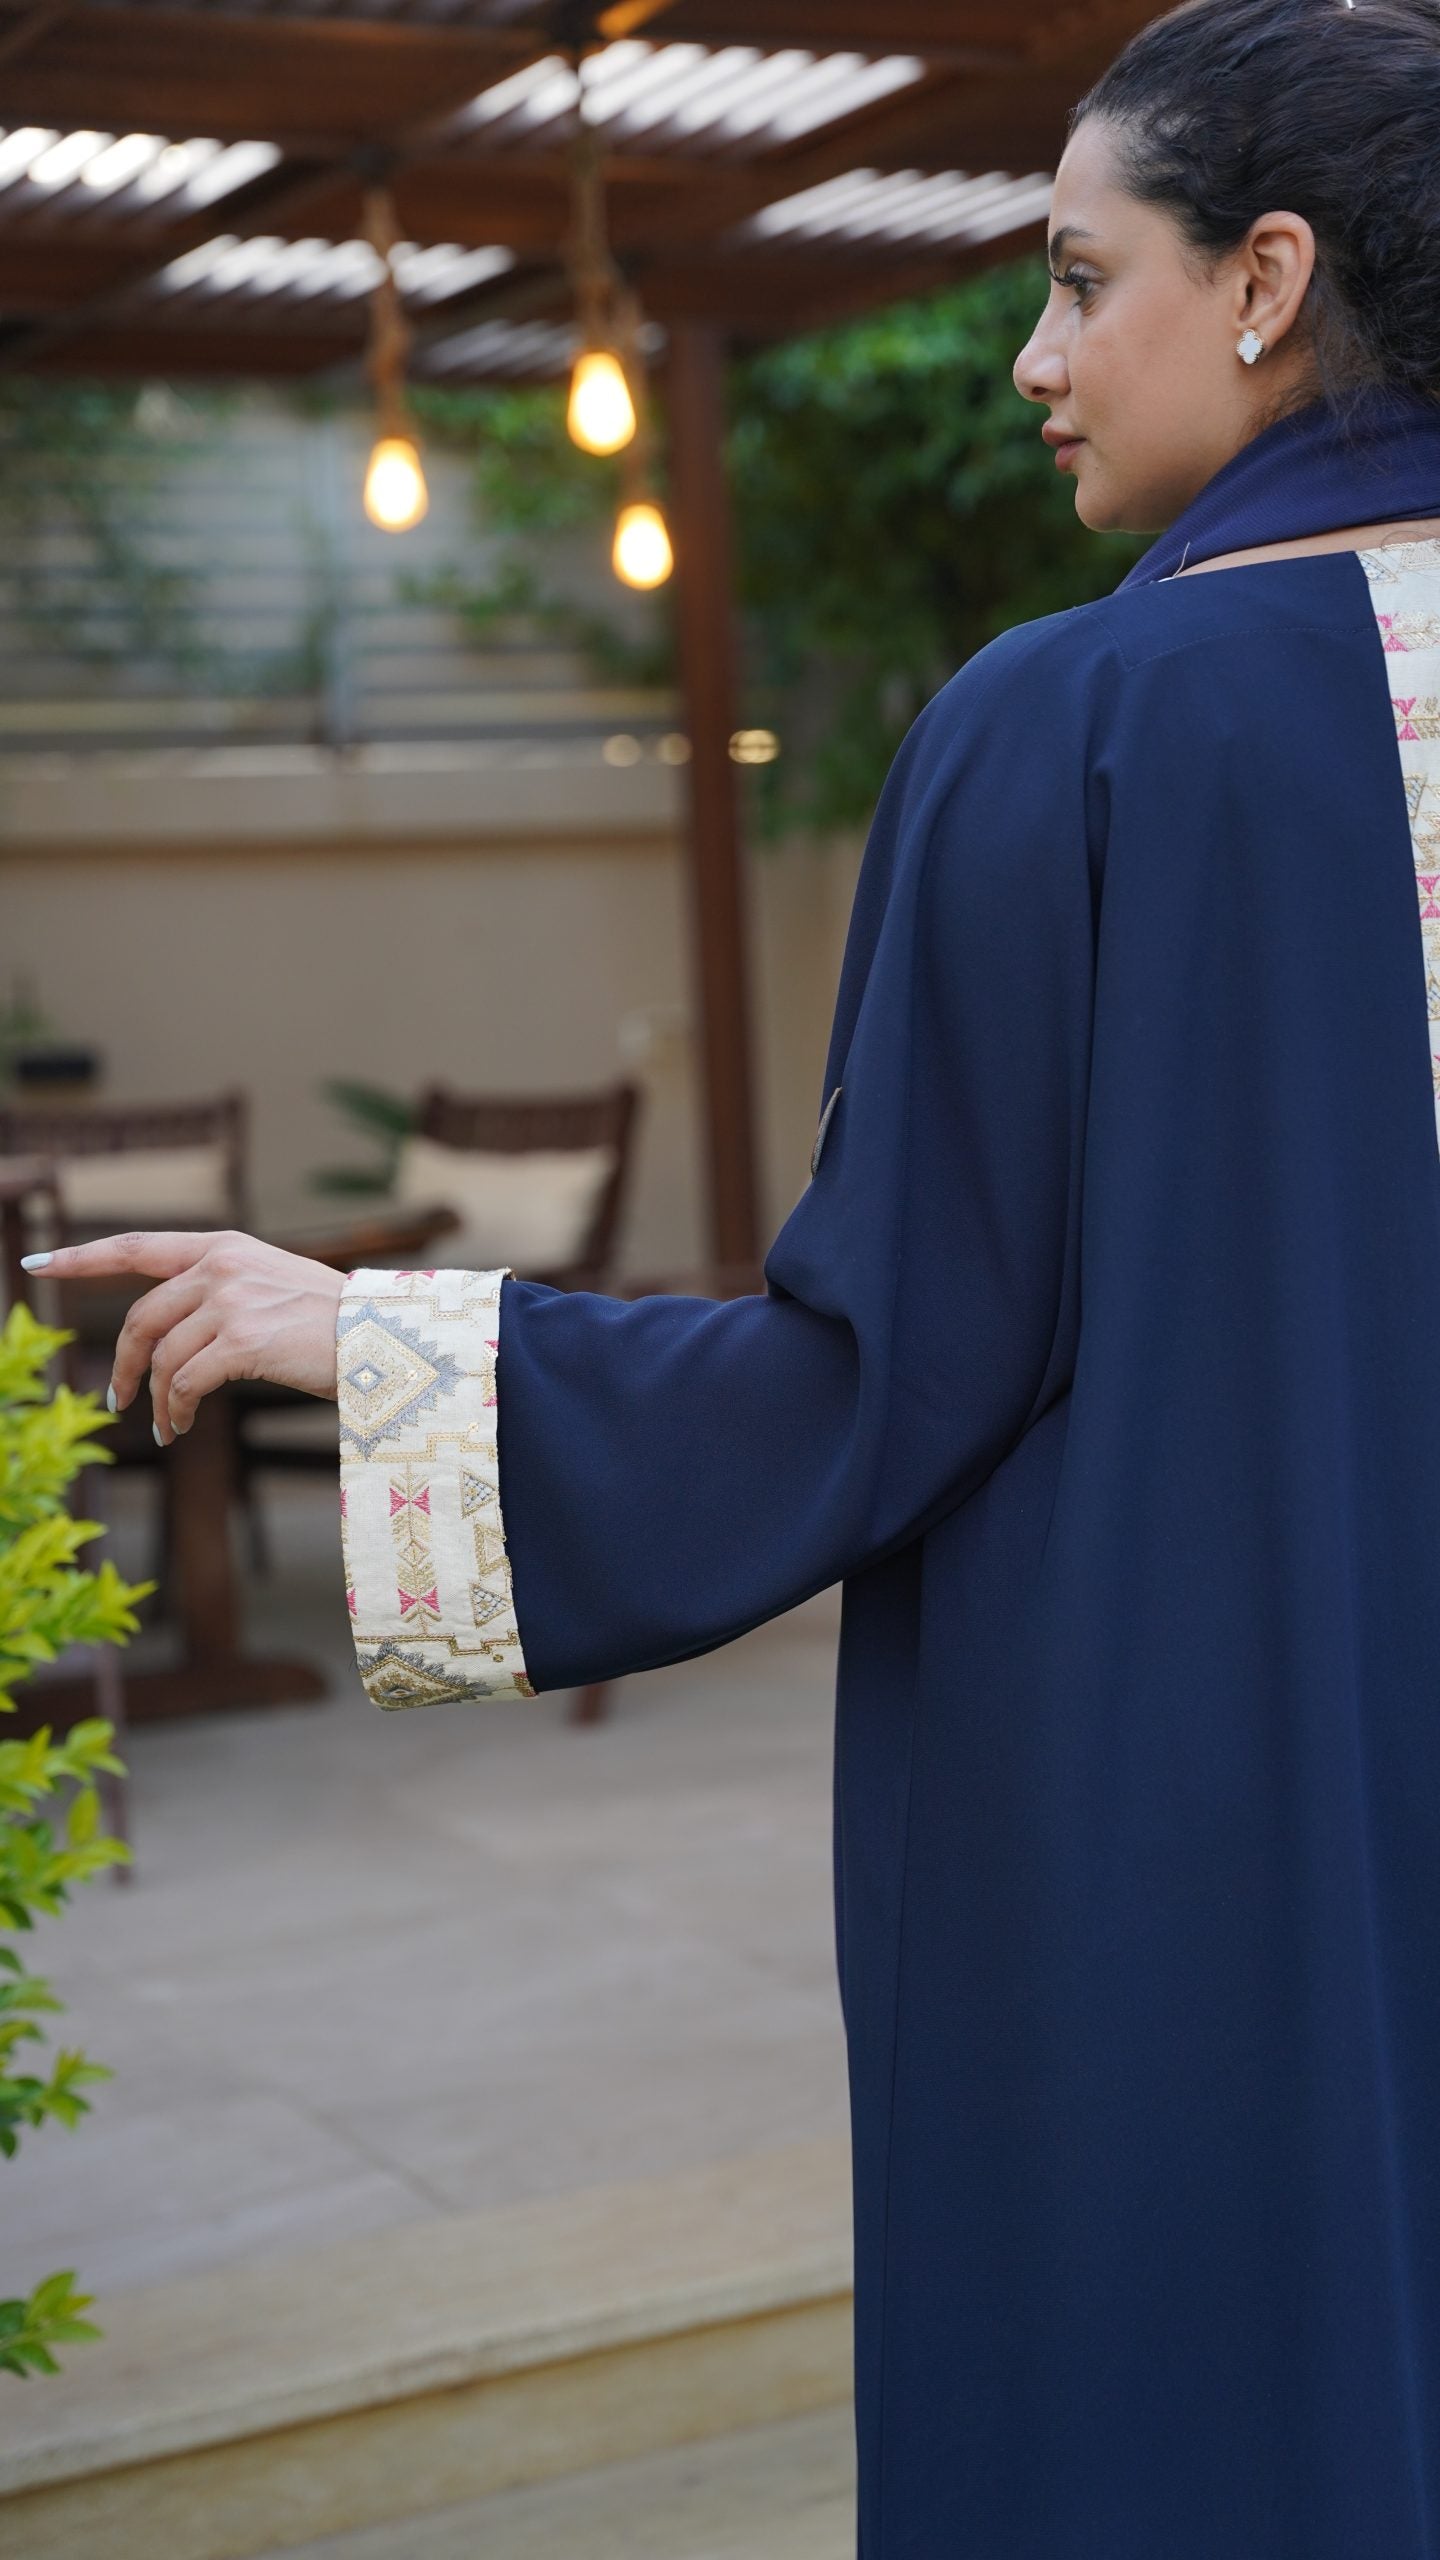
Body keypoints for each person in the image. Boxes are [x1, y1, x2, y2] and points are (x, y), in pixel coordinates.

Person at [28, 0, 1440, 2545]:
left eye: (1072, 278)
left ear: (1265, 281)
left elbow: (884, 1372)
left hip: (1209, 1847)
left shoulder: (1082, 729)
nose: (1028, 359)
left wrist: (378, 1332)